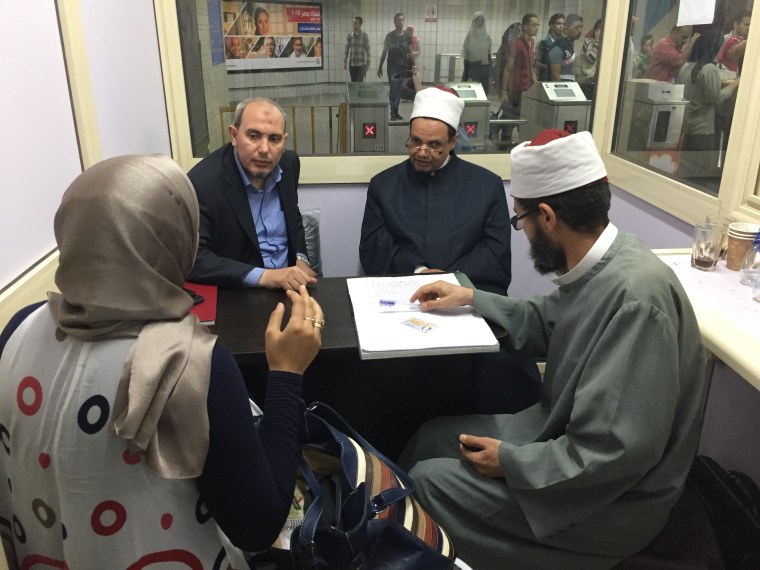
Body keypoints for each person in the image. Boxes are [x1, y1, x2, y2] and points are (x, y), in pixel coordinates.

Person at [401, 128, 707, 569]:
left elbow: (613, 453)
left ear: (546, 216)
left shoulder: (636, 299)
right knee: (432, 435)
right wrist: (472, 298)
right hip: (563, 447)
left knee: (430, 481)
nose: (522, 232)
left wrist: (513, 462)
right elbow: (549, 321)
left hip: (612, 501)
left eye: (519, 220)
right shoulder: (605, 263)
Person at [0, 154, 324, 568]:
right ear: (179, 238)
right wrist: (286, 373)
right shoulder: (189, 363)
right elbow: (258, 525)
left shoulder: (17, 331)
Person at [360, 86, 511, 293]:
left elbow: (495, 254)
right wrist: (418, 272)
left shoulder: (487, 187)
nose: (422, 152)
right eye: (415, 141)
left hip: (466, 295)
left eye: (434, 145)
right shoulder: (383, 185)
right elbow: (374, 248)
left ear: (453, 141)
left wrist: (450, 281)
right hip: (404, 293)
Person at [187, 98, 317, 291]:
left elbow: (293, 217)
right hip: (240, 293)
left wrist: (300, 257)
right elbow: (194, 259)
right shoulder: (202, 184)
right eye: (254, 136)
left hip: (291, 288)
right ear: (234, 135)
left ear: (284, 141)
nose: (264, 149)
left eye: (274, 139)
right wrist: (265, 276)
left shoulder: (288, 164)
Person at [678, 31, 740, 157]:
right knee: (701, 169)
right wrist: (735, 84)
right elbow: (715, 98)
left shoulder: (685, 67)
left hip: (687, 127)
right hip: (703, 130)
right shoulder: (709, 69)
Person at [499, 13, 538, 144]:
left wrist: (536, 85)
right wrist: (504, 92)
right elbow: (507, 68)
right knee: (509, 120)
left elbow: (531, 66)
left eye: (537, 25)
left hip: (527, 90)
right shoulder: (516, 44)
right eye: (533, 25)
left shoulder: (532, 42)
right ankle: (503, 146)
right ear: (525, 26)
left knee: (524, 121)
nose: (536, 27)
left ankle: (523, 147)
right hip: (514, 89)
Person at [377, 13, 412, 121]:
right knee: (394, 89)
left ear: (404, 21)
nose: (400, 22)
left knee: (399, 90)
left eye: (402, 20)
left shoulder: (407, 36)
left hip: (403, 67)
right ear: (394, 21)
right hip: (392, 67)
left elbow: (410, 52)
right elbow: (384, 51)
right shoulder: (390, 36)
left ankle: (395, 112)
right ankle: (393, 112)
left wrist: (414, 66)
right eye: (398, 20)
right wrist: (380, 66)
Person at [543, 13, 583, 81]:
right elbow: (555, 76)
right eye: (576, 27)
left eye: (581, 27)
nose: (579, 30)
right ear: (566, 29)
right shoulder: (558, 47)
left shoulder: (568, 45)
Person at [461, 12, 493, 94]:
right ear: (474, 22)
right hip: (472, 68)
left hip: (483, 69)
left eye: (482, 20)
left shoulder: (487, 38)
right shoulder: (469, 38)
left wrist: (490, 74)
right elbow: (466, 57)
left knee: (482, 93)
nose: (480, 22)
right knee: (470, 93)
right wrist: (467, 74)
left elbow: (488, 56)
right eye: (478, 20)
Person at [576, 18, 602, 99]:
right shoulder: (589, 42)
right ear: (597, 31)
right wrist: (597, 41)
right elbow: (590, 59)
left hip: (598, 84)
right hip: (586, 83)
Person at [535, 13, 564, 80]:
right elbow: (536, 62)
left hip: (560, 78)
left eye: (563, 24)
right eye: (558, 24)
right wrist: (548, 67)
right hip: (546, 79)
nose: (561, 26)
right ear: (551, 25)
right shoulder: (544, 42)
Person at [344, 16, 371, 82]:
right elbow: (346, 49)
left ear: (360, 24)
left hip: (361, 65)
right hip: (352, 64)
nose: (354, 24)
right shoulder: (350, 35)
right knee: (353, 83)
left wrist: (368, 63)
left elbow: (368, 49)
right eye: (353, 23)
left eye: (356, 23)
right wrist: (345, 61)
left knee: (359, 84)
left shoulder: (364, 36)